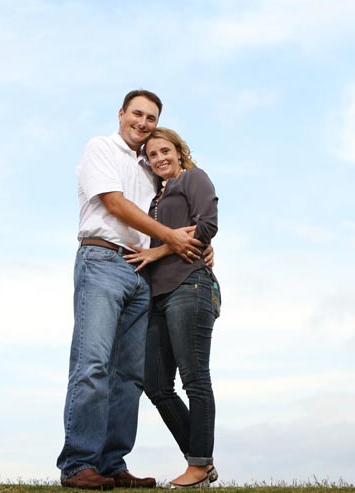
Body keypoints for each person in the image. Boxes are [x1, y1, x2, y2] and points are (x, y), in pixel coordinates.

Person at [57, 91, 210, 490]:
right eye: (137, 114)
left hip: (140, 273)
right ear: (122, 114)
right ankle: (78, 464)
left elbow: (180, 218)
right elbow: (114, 203)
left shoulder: (148, 167)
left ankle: (111, 463)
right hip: (102, 261)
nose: (143, 122)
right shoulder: (101, 148)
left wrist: (201, 245)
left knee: (129, 377)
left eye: (151, 117)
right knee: (93, 365)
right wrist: (171, 239)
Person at [124, 128, 221, 489]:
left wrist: (158, 250)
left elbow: (207, 225)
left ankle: (198, 466)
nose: (160, 158)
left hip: (190, 285)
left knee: (194, 377)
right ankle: (201, 461)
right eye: (152, 155)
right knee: (156, 384)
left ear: (179, 152)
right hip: (158, 295)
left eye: (165, 150)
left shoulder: (193, 178)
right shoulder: (154, 198)